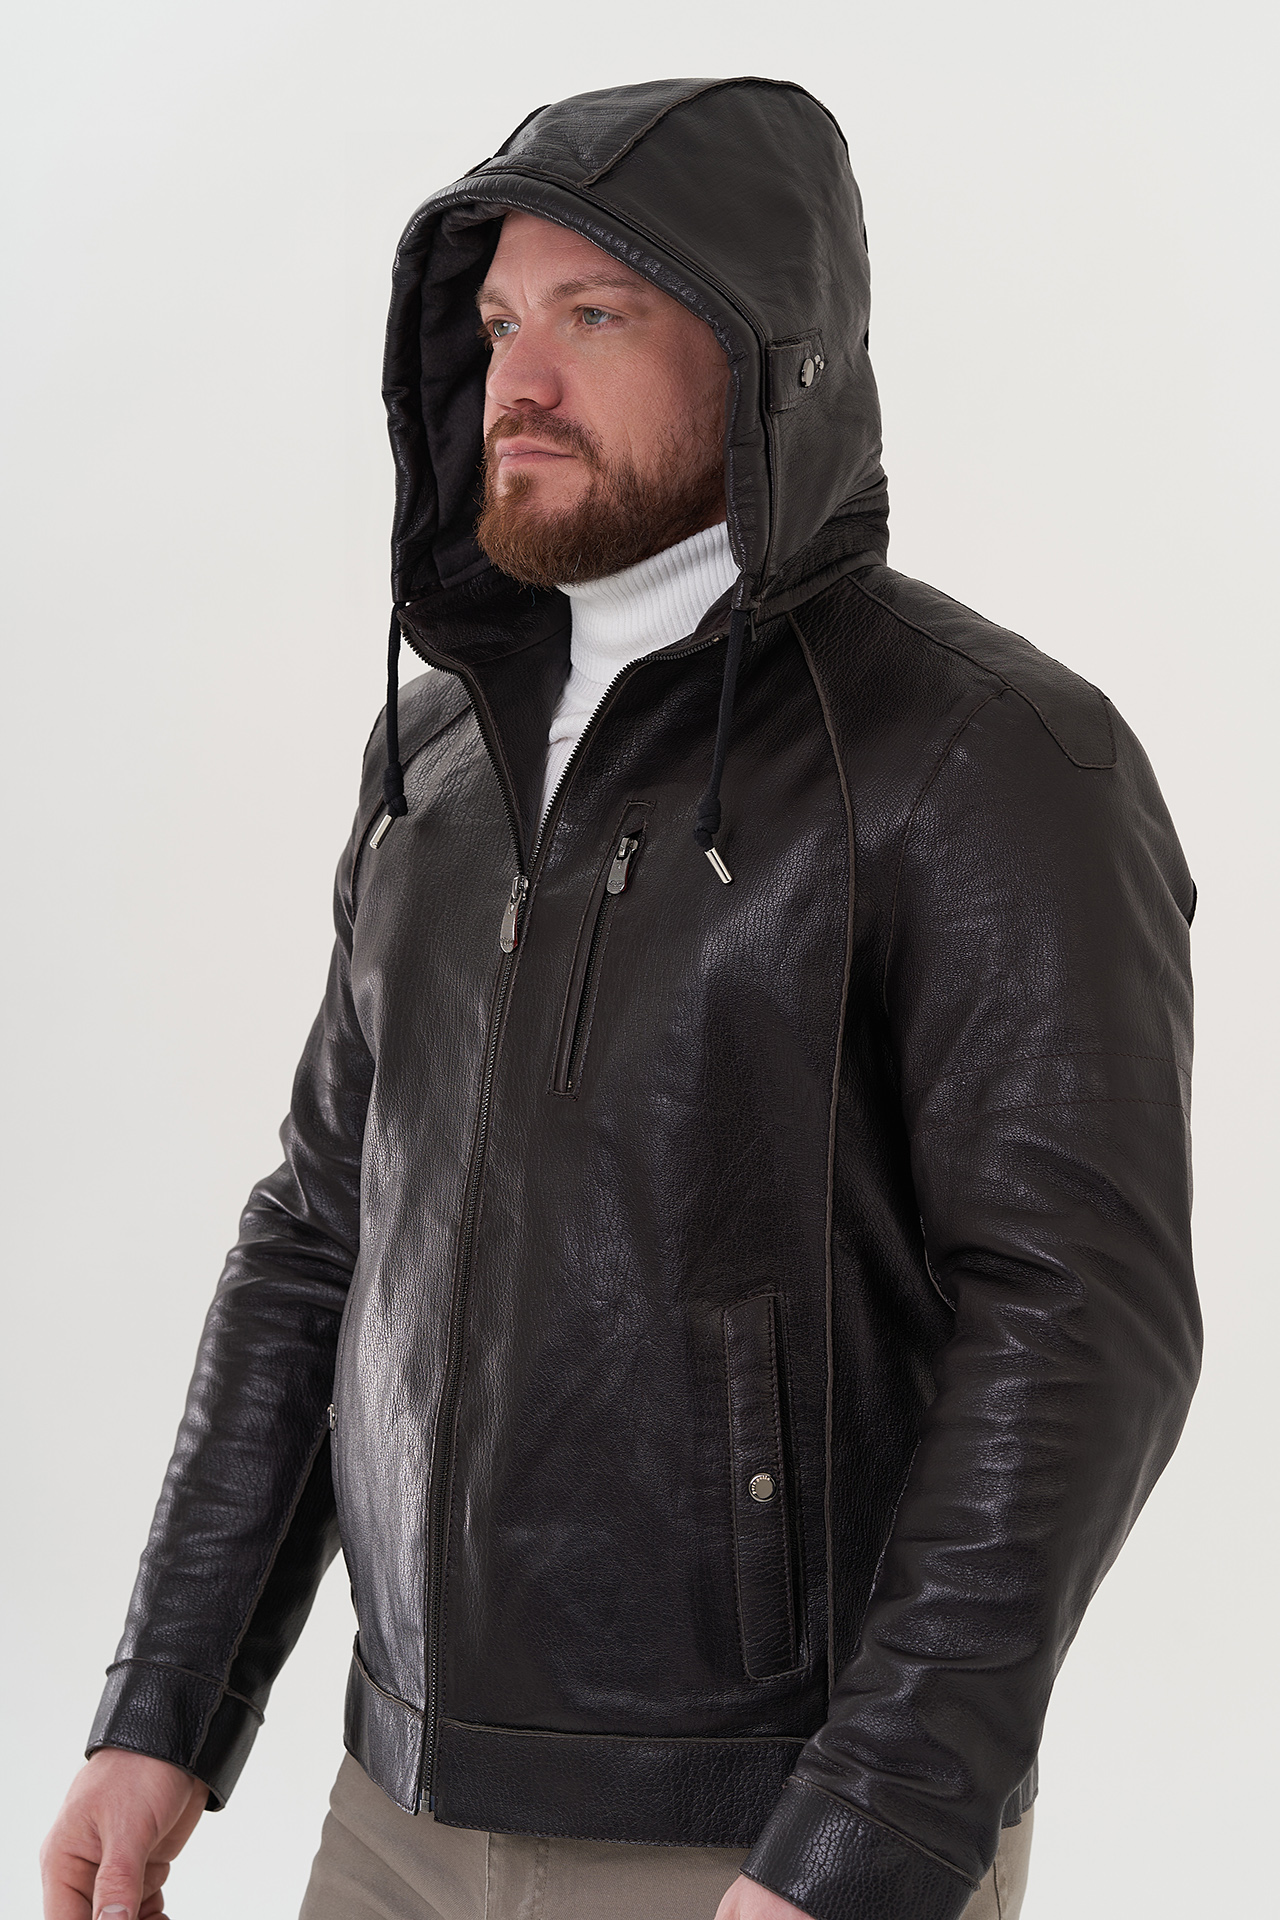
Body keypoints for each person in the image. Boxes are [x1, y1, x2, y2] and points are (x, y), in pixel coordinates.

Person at [40, 76, 1200, 1920]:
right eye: (500, 320)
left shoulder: (987, 760)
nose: (519, 378)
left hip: (761, 1836)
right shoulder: (437, 761)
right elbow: (322, 1237)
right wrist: (164, 1702)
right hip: (396, 1809)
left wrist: (872, 1832)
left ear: (766, 353)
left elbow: (1082, 1327)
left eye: (595, 315)